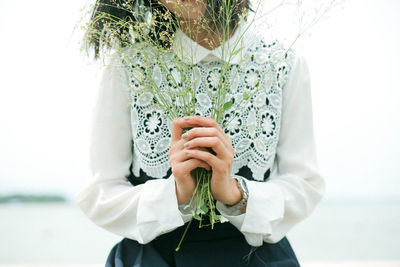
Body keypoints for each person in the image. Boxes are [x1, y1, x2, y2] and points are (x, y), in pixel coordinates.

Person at [76, 0, 325, 266]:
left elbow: (304, 185)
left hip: (257, 259)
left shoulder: (281, 63)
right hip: (153, 258)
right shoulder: (129, 65)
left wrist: (235, 195)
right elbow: (100, 193)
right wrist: (177, 195)